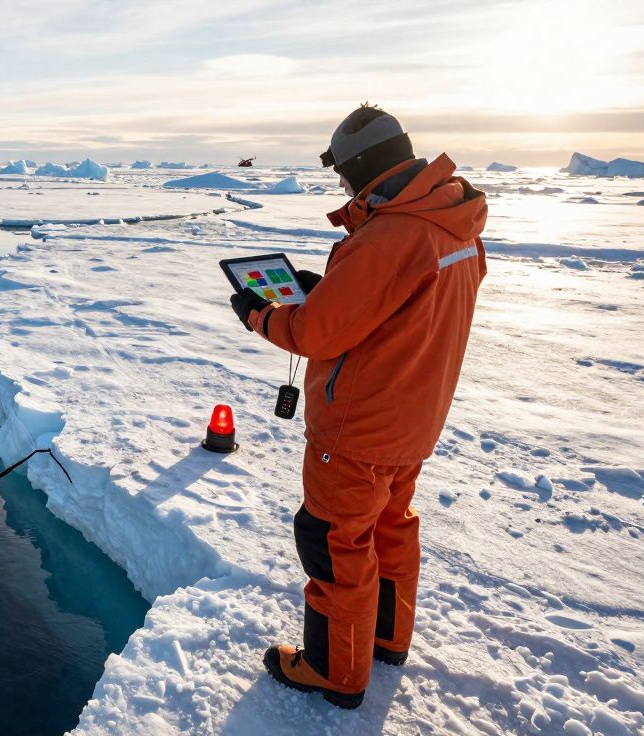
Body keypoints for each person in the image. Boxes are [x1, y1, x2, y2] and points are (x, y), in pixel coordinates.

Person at [229, 104, 487, 709]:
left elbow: (313, 334)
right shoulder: (452, 224)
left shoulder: (387, 236)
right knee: (391, 528)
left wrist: (262, 315)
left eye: (342, 173)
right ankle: (387, 638)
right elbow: (404, 309)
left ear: (362, 168)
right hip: (412, 420)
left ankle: (334, 671)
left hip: (357, 429)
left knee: (334, 542)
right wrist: (333, 294)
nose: (342, 185)